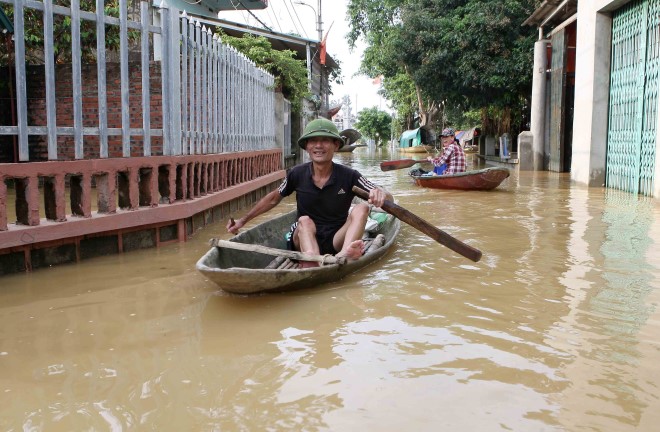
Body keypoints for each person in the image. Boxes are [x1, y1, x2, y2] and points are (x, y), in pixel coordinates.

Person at [226, 118, 393, 267]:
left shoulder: (349, 176)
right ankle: (311, 259)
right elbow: (272, 199)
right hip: (303, 238)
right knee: (304, 220)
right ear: (307, 146)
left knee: (362, 208)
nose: (319, 146)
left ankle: (343, 256)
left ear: (336, 145)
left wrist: (380, 193)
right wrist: (243, 220)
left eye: (325, 141)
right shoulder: (296, 174)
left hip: (336, 240)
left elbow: (383, 194)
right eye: (313, 141)